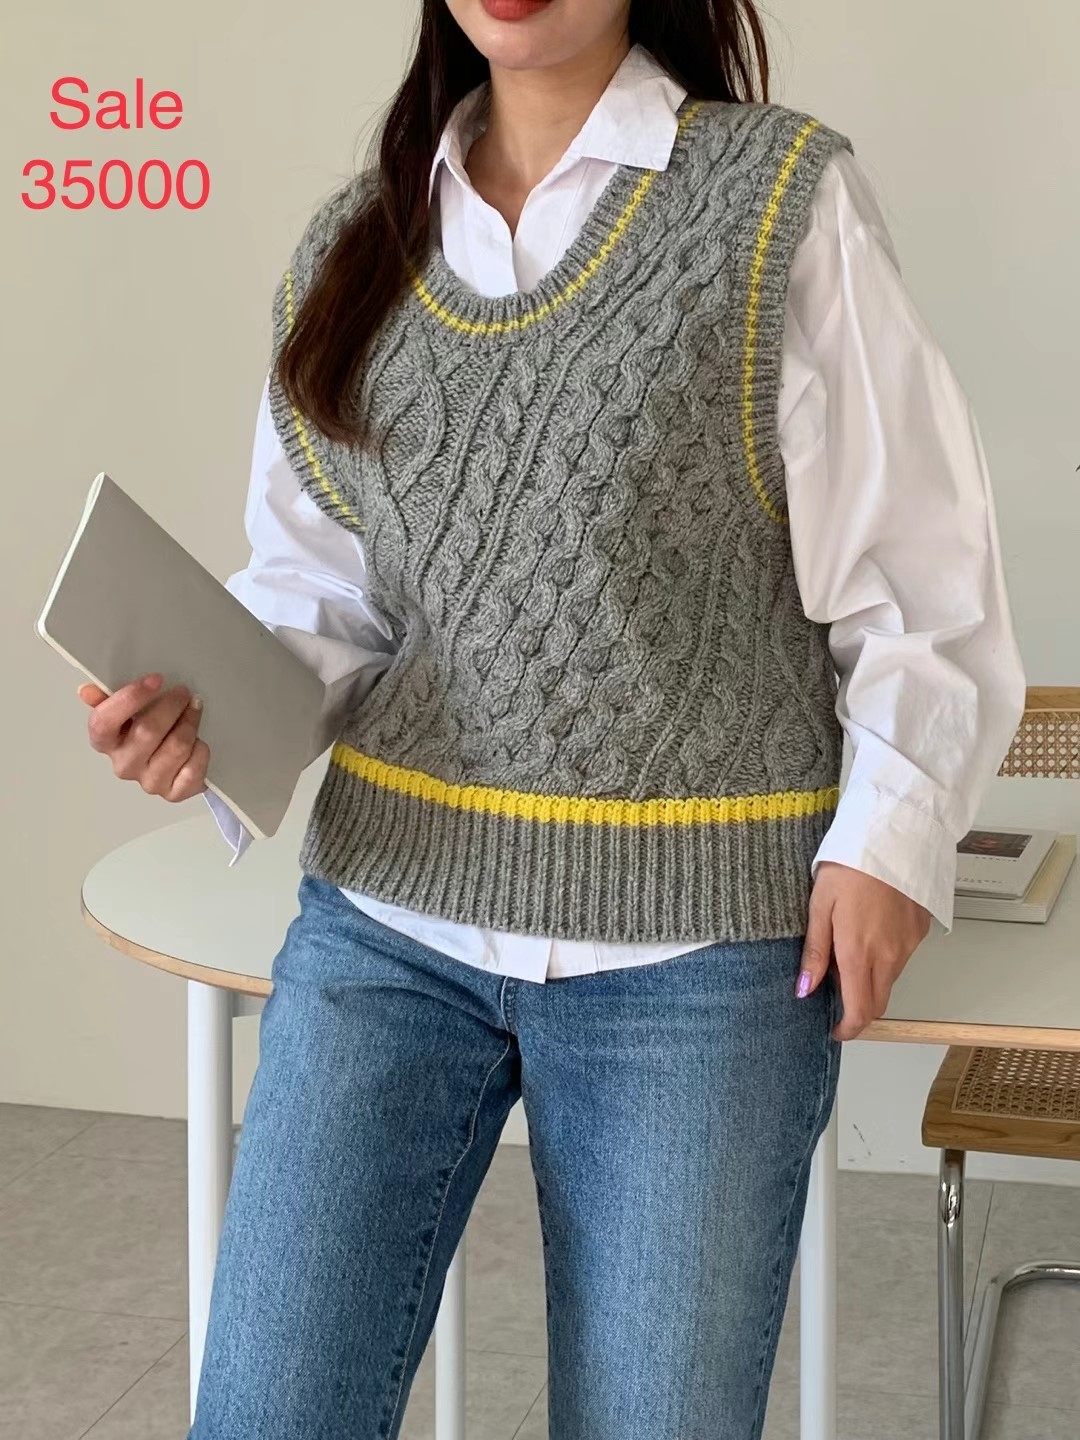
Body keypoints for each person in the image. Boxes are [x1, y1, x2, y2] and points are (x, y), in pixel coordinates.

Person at [78, 1, 1026, 1436]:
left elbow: (924, 578)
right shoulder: (356, 246)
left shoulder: (775, 200)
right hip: (388, 927)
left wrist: (887, 839)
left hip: (697, 955)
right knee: (267, 1412)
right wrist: (202, 711)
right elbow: (324, 597)